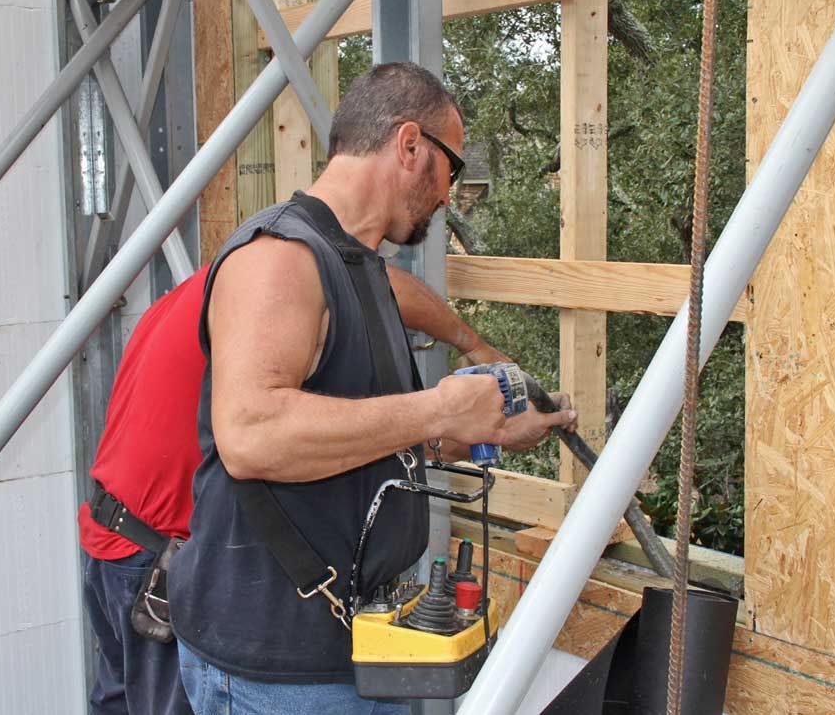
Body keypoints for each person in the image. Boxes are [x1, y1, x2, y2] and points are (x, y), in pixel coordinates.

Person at [166, 62, 577, 715]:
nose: (450, 194)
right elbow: (250, 434)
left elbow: (369, 433)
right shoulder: (280, 256)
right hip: (276, 671)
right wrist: (440, 404)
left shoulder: (364, 272)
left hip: (353, 652)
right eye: (451, 168)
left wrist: (477, 430)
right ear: (409, 145)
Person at [78, 265, 564, 713]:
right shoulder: (276, 281)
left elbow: (358, 442)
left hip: (115, 546)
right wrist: (475, 347)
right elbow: (387, 287)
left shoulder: (211, 290)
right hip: (156, 568)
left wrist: (482, 431)